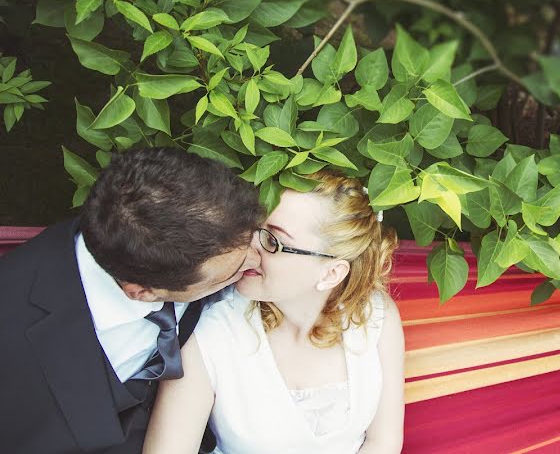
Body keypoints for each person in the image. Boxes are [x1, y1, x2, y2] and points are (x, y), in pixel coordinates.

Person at [0, 147, 263, 453]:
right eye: (230, 274)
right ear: (142, 292)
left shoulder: (179, 242)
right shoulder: (12, 338)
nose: (258, 260)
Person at [144, 170, 406, 454]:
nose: (247, 246)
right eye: (254, 227)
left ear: (331, 273)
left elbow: (383, 442)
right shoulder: (209, 330)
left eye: (272, 241)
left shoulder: (376, 317)